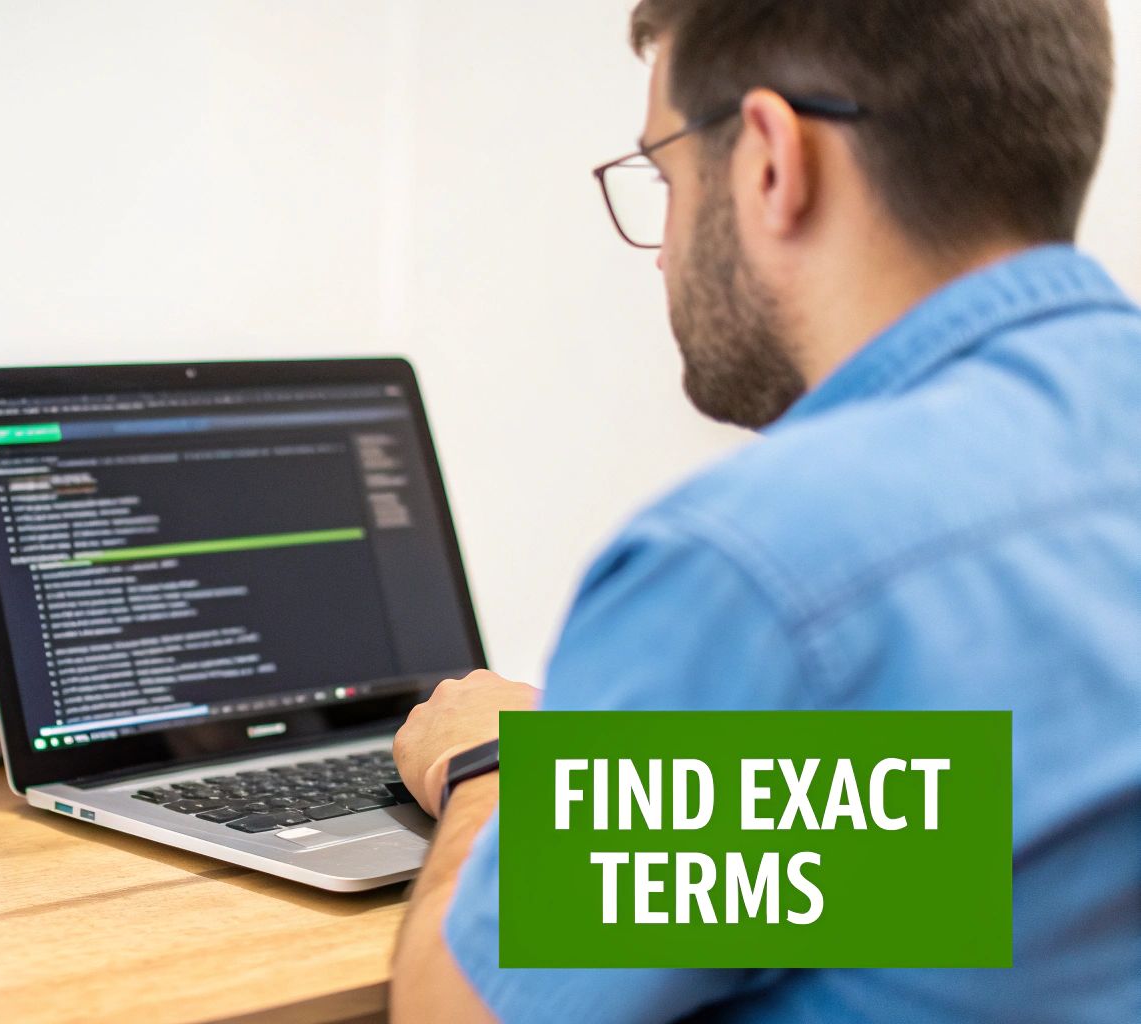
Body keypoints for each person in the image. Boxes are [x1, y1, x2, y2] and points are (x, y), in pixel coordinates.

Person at [388, 1, 1139, 1021]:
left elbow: (457, 1017)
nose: (658, 254)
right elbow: (965, 841)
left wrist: (498, 769)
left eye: (664, 172)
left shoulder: (764, 566)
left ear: (770, 163)